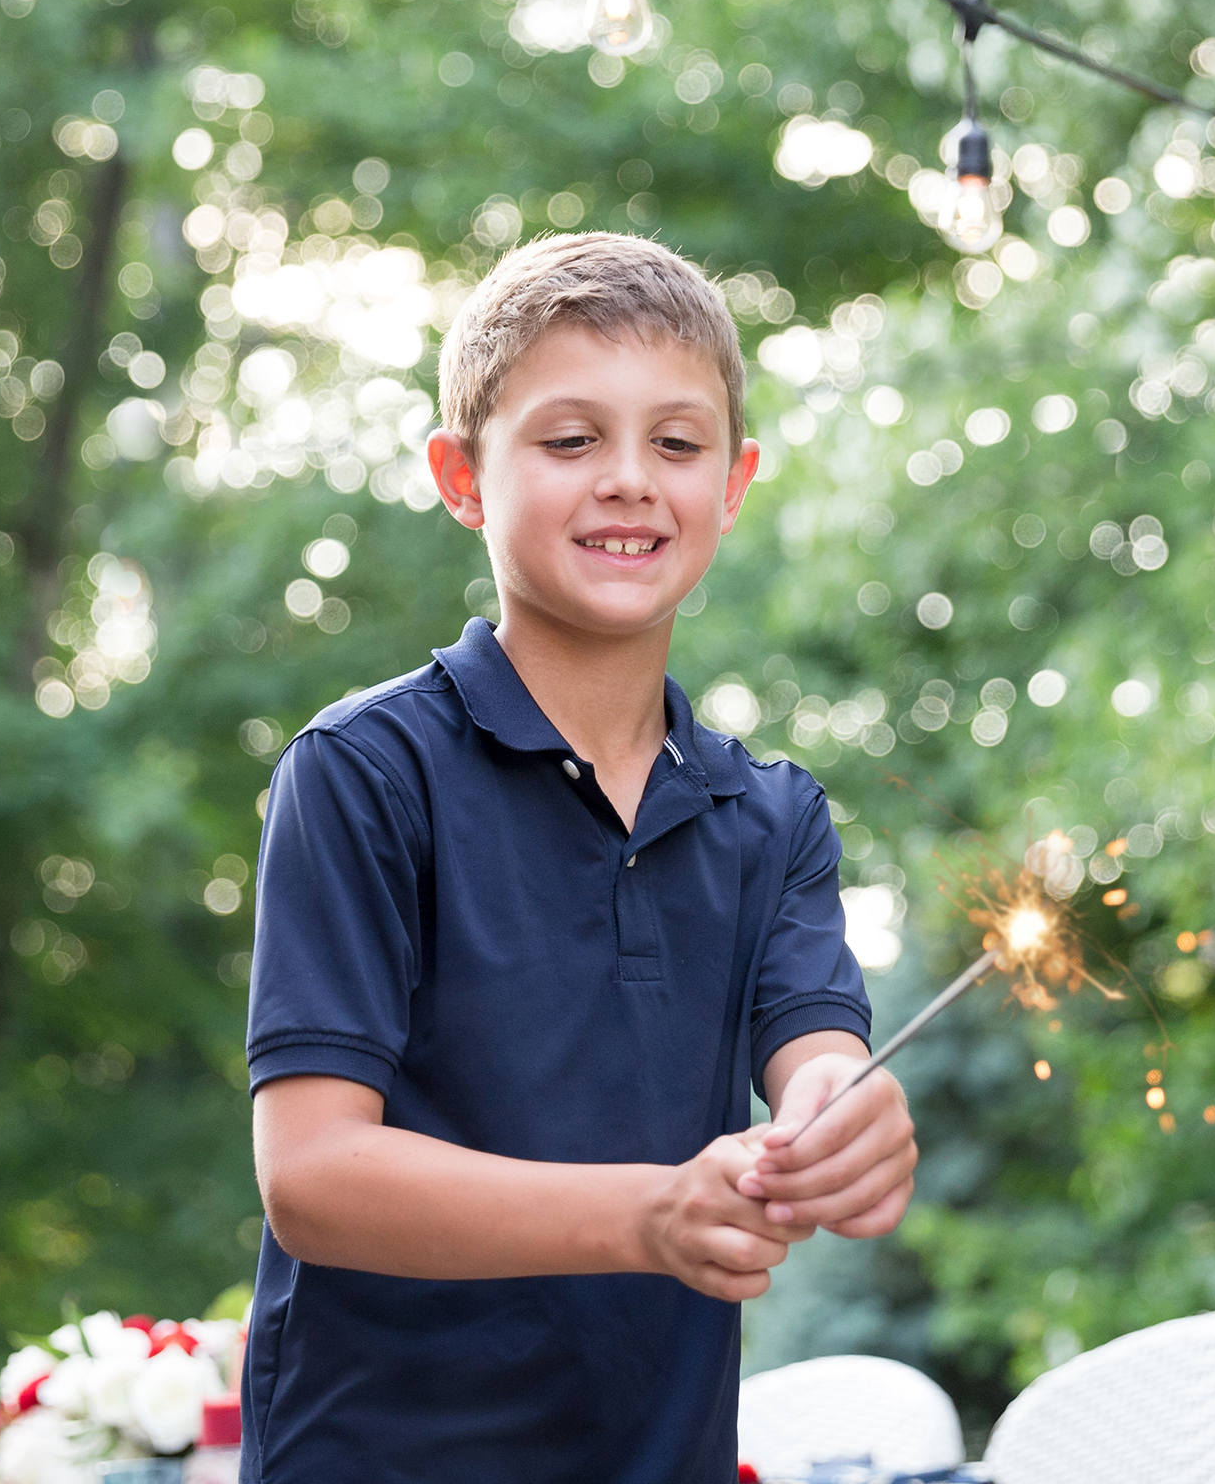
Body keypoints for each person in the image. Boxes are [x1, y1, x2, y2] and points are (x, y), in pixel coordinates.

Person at [242, 232, 917, 1484]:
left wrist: (844, 1122)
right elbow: (315, 1175)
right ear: (461, 476)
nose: (629, 481)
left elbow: (817, 1053)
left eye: (676, 442)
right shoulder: (361, 775)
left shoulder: (771, 817)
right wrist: (646, 1214)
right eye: (568, 441)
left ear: (734, 481)